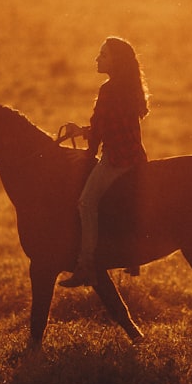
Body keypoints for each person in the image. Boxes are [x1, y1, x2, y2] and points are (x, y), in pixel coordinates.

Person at [59, 37, 150, 288]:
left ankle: (86, 264)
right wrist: (83, 131)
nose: (97, 59)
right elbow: (109, 125)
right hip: (135, 156)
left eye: (103, 55)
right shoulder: (130, 87)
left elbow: (102, 128)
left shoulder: (108, 89)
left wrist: (88, 153)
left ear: (115, 61)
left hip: (116, 159)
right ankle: (132, 259)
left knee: (86, 202)